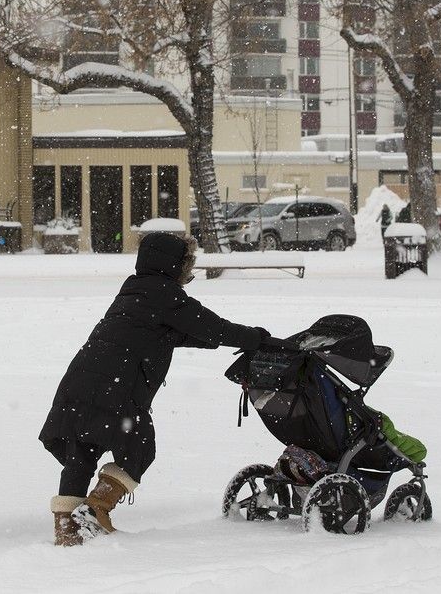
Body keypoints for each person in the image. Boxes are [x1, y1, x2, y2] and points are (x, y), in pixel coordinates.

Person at [39, 231, 278, 546]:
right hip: (116, 389)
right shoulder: (166, 295)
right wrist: (257, 338)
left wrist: (232, 341)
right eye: (187, 265)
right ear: (176, 265)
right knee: (138, 447)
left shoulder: (134, 291)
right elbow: (213, 328)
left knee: (81, 449)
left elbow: (179, 334)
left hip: (79, 383)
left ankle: (67, 530)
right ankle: (95, 509)